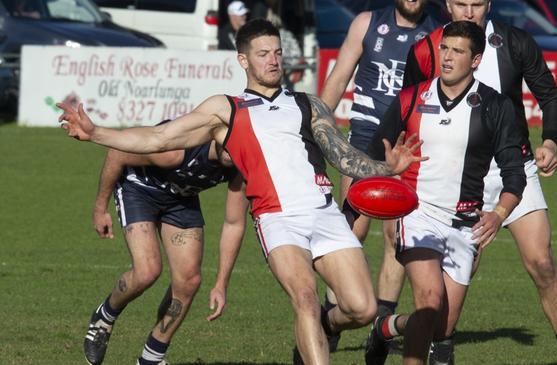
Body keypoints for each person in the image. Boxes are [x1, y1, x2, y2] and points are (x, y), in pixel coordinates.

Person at [59, 19, 426, 364]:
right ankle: (312, 326)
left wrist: (386, 169)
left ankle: (320, 328)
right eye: (263, 53)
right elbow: (158, 137)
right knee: (305, 298)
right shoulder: (226, 109)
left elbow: (343, 156)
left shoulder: (307, 105)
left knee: (361, 308)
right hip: (277, 219)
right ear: (243, 60)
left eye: (278, 52)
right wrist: (97, 133)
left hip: (323, 212)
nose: (273, 60)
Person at [401, 1, 557, 364]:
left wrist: (549, 142)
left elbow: (550, 95)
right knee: (449, 297)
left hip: (514, 169)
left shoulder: (514, 42)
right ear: (448, 5)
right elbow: (409, 114)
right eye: (461, 4)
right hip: (459, 177)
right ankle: (420, 337)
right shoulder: (425, 51)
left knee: (542, 262)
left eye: (477, 4)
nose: (469, 12)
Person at [359, 20, 526, 365]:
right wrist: (388, 168)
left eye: (457, 51)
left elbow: (515, 176)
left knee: (440, 326)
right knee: (430, 300)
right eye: (444, 49)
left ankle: (386, 328)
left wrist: (499, 214)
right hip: (417, 214)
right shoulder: (410, 98)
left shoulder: (495, 106)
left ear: (476, 60)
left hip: (466, 224)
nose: (447, 58)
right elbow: (373, 157)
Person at [319, 0, 436, 346]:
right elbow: (339, 76)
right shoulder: (367, 23)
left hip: (410, 143)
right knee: (349, 230)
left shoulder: (437, 32)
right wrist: (316, 127)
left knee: (395, 238)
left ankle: (379, 330)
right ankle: (331, 316)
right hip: (365, 139)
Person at [83, 132, 247, 365]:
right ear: (217, 135)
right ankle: (105, 316)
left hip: (180, 198)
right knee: (147, 271)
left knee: (189, 280)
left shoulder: (240, 166)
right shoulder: (176, 150)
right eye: (230, 144)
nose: (236, 151)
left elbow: (234, 223)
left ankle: (151, 358)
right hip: (139, 188)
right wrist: (100, 208)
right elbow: (117, 153)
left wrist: (222, 283)